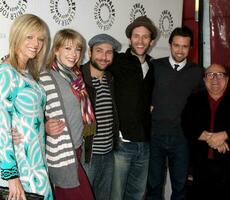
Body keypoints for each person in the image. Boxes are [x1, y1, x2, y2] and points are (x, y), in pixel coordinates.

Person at [0, 14, 53, 200]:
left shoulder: (28, 73)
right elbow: (2, 128)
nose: (36, 43)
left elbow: (31, 115)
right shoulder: (6, 72)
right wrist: (11, 177)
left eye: (40, 39)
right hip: (23, 164)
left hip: (38, 160)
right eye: (30, 37)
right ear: (17, 35)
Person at [146, 26, 204, 200]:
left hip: (182, 139)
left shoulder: (197, 72)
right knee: (153, 187)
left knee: (180, 188)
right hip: (155, 136)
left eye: (185, 46)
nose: (180, 50)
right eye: (176, 45)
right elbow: (142, 92)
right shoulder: (154, 66)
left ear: (190, 48)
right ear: (170, 45)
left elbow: (202, 105)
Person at [182, 64, 230, 200]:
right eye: (210, 75)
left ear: (227, 79)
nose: (215, 78)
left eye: (220, 75)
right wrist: (212, 139)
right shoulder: (194, 99)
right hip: (200, 165)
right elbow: (187, 125)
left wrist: (225, 135)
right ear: (204, 79)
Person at [40, 29, 95, 200]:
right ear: (56, 49)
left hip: (77, 148)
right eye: (67, 48)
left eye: (77, 49)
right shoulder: (45, 76)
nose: (74, 54)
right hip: (62, 152)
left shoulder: (75, 75)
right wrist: (44, 126)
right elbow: (30, 112)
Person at [109, 16, 157, 200]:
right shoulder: (117, 61)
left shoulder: (154, 67)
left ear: (151, 41)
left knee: (136, 195)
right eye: (136, 36)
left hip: (145, 144)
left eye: (145, 37)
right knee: (116, 195)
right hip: (122, 143)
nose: (140, 41)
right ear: (129, 39)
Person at [81, 34, 120, 200]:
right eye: (99, 51)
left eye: (108, 52)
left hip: (108, 154)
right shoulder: (78, 78)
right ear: (90, 53)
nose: (104, 57)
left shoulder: (110, 79)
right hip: (87, 156)